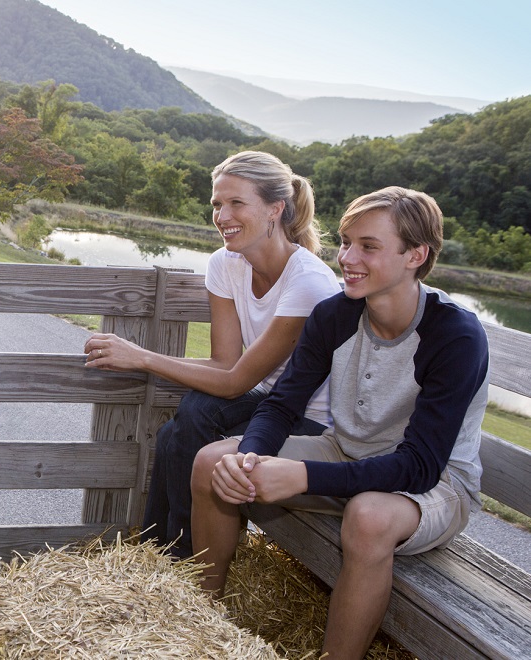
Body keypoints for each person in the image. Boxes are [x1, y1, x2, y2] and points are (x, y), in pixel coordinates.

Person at [191, 187, 489, 659]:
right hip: (346, 451)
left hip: (433, 487)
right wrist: (252, 454)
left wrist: (301, 475)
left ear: (416, 254)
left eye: (368, 246)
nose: (347, 257)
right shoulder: (335, 312)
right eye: (346, 242)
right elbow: (281, 404)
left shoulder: (454, 335)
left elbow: (419, 467)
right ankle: (196, 625)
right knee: (215, 462)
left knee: (368, 516)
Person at [83, 151, 341, 558]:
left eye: (237, 203)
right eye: (217, 204)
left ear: (276, 208)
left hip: (309, 421)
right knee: (183, 424)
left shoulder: (309, 282)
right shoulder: (225, 263)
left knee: (183, 426)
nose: (222, 215)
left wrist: (142, 357)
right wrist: (142, 355)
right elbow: (226, 364)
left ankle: (180, 559)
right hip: (268, 401)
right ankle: (160, 553)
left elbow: (236, 381)